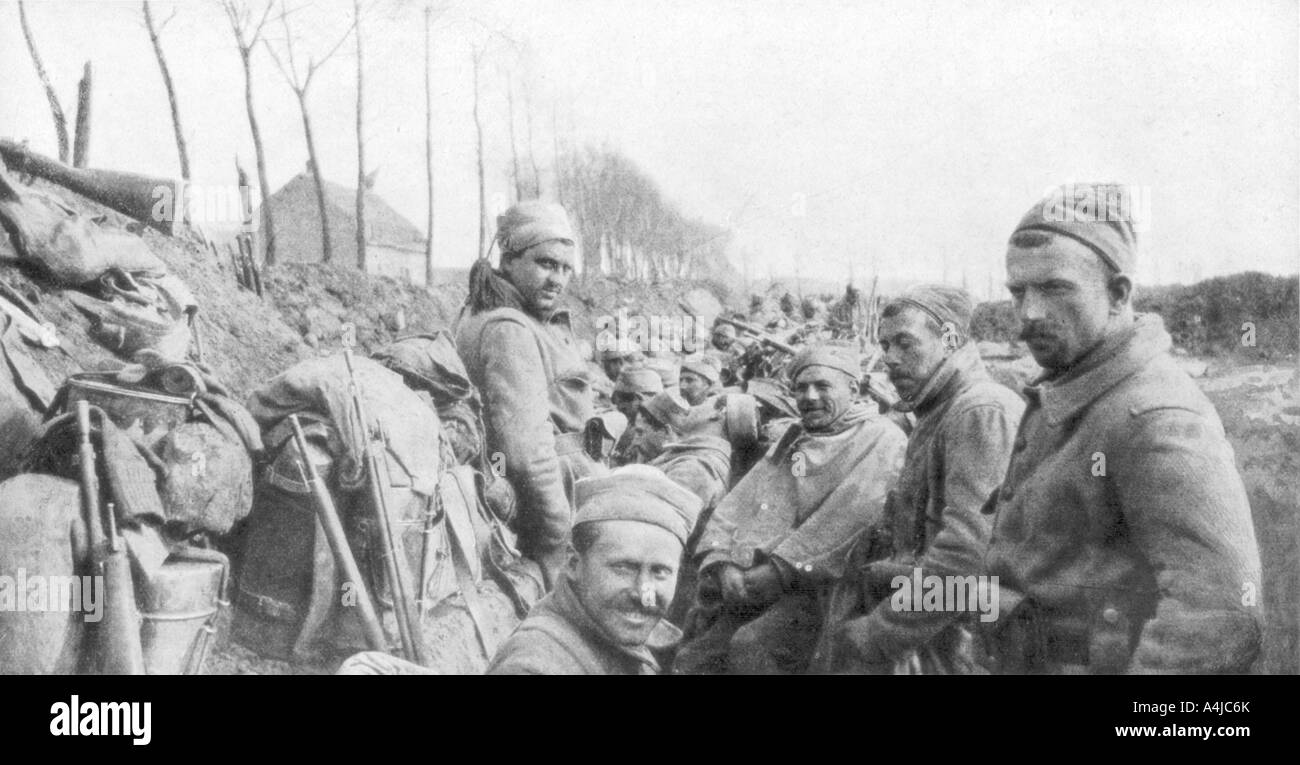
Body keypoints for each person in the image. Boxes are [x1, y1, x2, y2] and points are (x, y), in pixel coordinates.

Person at [984, 183, 1262, 673]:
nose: (1029, 314)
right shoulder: (1074, 387)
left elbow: (1216, 616)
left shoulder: (1156, 417)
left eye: (1054, 288)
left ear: (1118, 294)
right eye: (1017, 292)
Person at [824, 285, 1025, 673]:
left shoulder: (979, 410)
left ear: (949, 340)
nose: (889, 360)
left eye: (904, 343)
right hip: (937, 623)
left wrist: (881, 633)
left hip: (960, 640)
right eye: (884, 346)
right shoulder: (941, 410)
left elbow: (968, 555)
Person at [673, 343, 907, 674]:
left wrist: (780, 571)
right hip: (756, 580)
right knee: (696, 656)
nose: (809, 396)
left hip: (825, 589)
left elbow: (846, 519)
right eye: (801, 387)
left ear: (853, 389)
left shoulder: (882, 439)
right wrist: (723, 560)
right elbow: (744, 501)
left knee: (752, 649)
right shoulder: (797, 438)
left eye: (822, 386)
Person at [455, 201, 601, 588]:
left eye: (565, 268)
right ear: (510, 260)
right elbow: (526, 455)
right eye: (546, 264)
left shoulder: (499, 317)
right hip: (550, 507)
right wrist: (558, 538)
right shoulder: (509, 329)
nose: (557, 279)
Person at [487, 465, 703, 675]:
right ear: (573, 564)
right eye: (624, 568)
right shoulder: (535, 665)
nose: (643, 594)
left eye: (660, 572)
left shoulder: (617, 634)